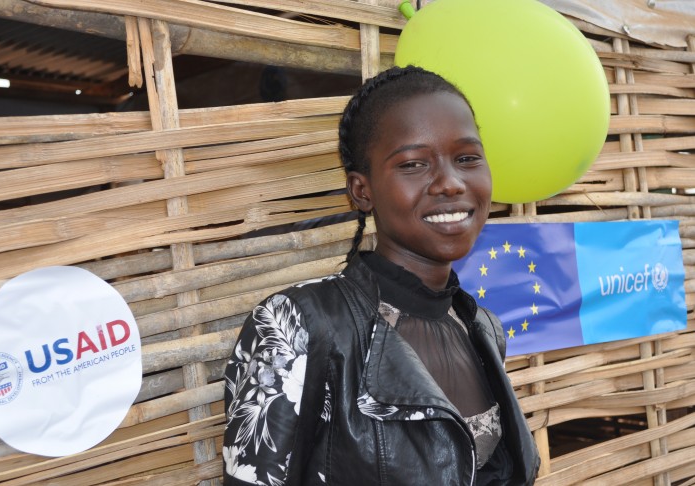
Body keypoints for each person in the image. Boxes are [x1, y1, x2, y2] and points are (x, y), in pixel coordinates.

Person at [222, 65, 540, 485]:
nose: (450, 182)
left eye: (467, 158)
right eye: (413, 164)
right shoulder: (298, 326)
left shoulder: (480, 327)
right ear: (361, 190)